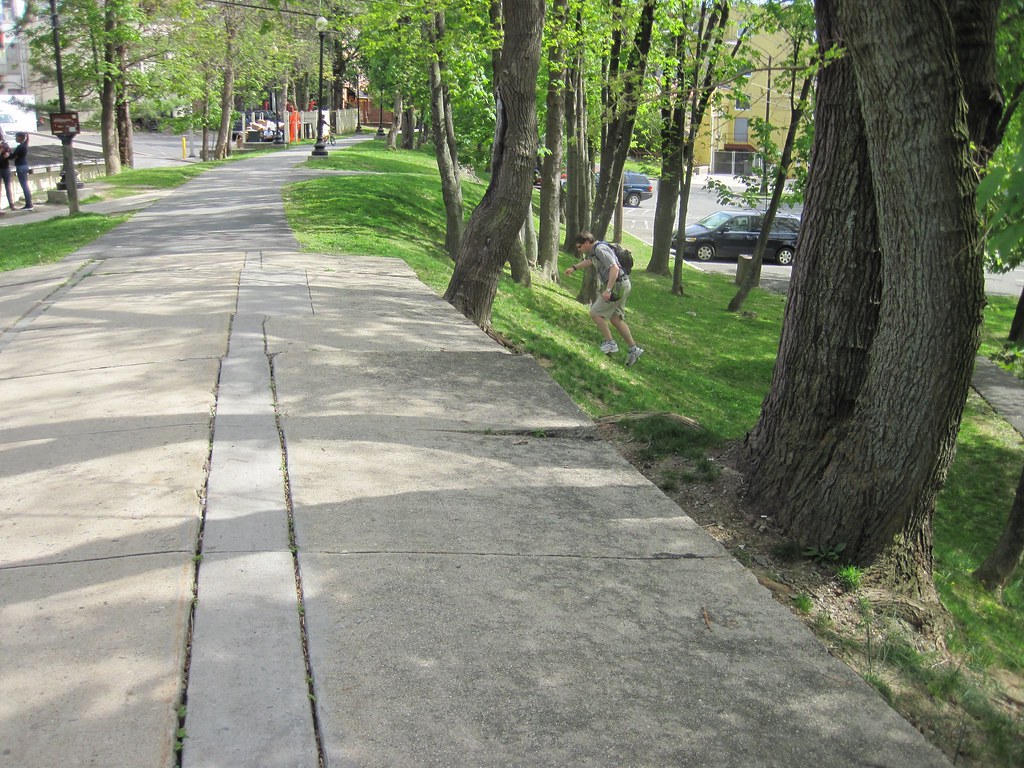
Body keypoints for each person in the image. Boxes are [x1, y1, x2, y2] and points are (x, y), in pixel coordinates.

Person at [564, 231, 644, 366]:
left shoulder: (600, 249)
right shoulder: (595, 250)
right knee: (615, 319)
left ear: (587, 243)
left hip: (617, 286)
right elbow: (590, 261)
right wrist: (574, 267)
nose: (579, 249)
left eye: (579, 246)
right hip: (623, 284)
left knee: (595, 312)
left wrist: (608, 289)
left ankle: (610, 343)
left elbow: (614, 268)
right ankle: (633, 349)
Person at [11, 132, 32, 210]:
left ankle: (28, 204)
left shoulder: (20, 147)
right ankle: (29, 203)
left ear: (20, 137)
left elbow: (12, 156)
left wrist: (6, 155)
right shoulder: (25, 145)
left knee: (24, 186)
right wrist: (27, 135)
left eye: (16, 137)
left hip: (20, 166)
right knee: (25, 185)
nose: (15, 139)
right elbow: (27, 140)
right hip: (25, 166)